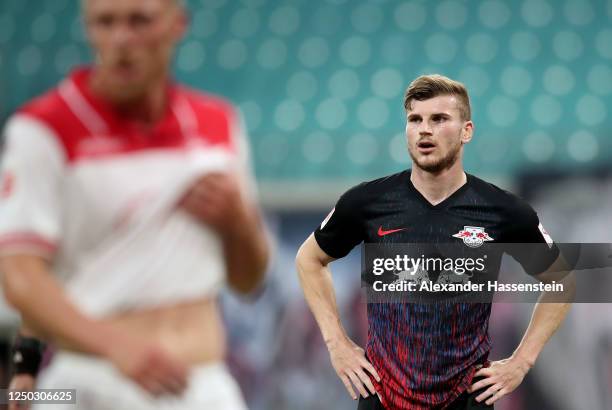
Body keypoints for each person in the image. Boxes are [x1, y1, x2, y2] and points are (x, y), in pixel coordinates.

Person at [0, 0, 270, 408]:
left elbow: (249, 282)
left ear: (176, 24)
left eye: (139, 20)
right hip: (90, 383)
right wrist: (115, 348)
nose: (121, 38)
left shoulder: (219, 123)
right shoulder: (42, 129)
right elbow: (19, 275)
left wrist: (238, 222)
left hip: (204, 384)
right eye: (105, 23)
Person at [296, 74, 574, 409]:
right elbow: (309, 260)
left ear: (466, 131)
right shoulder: (368, 202)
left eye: (439, 119)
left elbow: (562, 280)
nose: (424, 129)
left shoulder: (502, 209)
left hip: (466, 399)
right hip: (383, 398)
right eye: (415, 119)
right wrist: (336, 342)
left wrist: (522, 361)